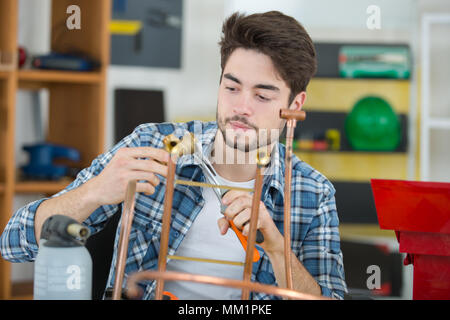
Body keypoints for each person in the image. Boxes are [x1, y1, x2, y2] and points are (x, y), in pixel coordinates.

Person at [0, 11, 347, 300]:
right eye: (232, 87)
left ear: (295, 105)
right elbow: (13, 243)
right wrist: (95, 191)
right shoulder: (152, 143)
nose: (241, 107)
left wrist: (275, 246)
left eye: (263, 95)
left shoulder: (312, 193)